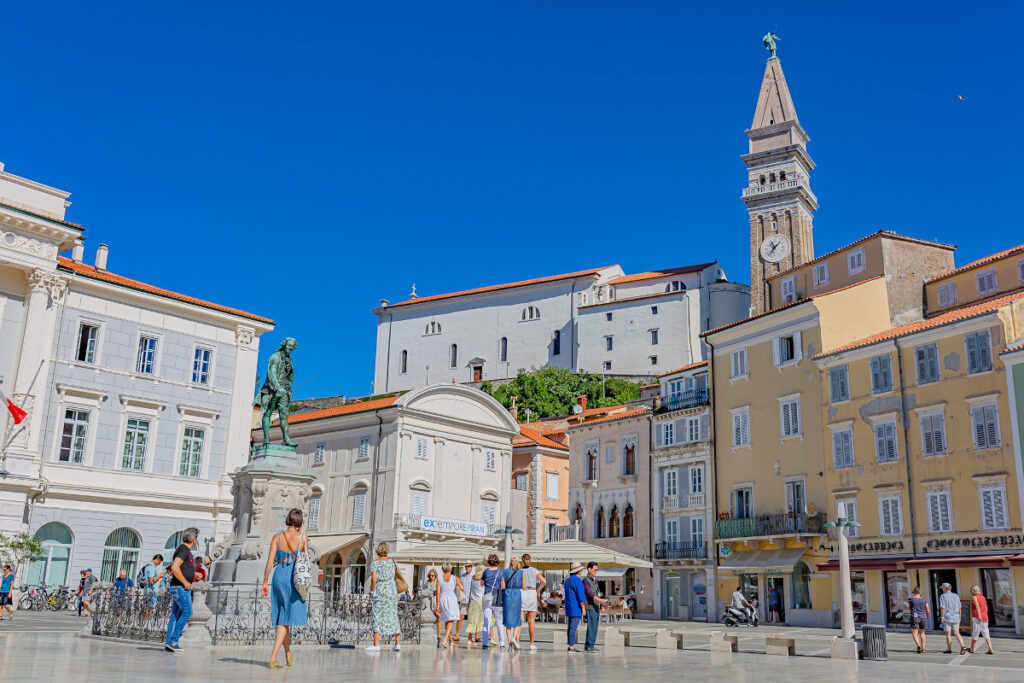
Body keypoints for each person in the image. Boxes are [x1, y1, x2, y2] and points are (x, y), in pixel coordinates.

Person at [260, 509, 308, 668]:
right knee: (285, 618)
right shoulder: (302, 538)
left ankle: (288, 652)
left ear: (288, 520)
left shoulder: (277, 537)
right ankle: (273, 657)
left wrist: (265, 581)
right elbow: (305, 561)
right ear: (300, 522)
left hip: (279, 575)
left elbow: (269, 562)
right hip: (293, 577)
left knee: (283, 614)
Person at [165, 531, 197, 654]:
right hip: (180, 588)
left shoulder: (182, 549)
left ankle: (169, 643)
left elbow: (181, 567)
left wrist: (193, 574)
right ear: (194, 540)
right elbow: (174, 567)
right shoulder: (184, 550)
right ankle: (173, 641)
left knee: (175, 615)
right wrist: (185, 582)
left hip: (178, 587)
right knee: (188, 612)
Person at [367, 542, 402, 653]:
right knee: (393, 614)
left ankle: (376, 644)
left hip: (381, 590)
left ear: (377, 551)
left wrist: (372, 591)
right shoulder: (393, 562)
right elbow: (399, 575)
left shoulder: (375, 563)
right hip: (391, 591)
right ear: (387, 550)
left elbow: (373, 579)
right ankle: (397, 643)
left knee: (377, 615)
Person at [520, 554, 546, 650]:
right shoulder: (535, 570)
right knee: (531, 621)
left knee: (520, 620)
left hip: (522, 592)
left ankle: (517, 642)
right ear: (530, 560)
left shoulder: (520, 571)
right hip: (532, 593)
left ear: (522, 561)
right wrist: (538, 589)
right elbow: (544, 581)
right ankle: (531, 644)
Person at [562, 562, 588, 653]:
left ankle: (570, 645)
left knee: (570, 627)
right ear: (578, 570)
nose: (582, 570)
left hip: (569, 606)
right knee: (573, 627)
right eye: (581, 569)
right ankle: (571, 647)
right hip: (576, 606)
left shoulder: (567, 580)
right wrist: (583, 607)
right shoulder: (578, 580)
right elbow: (581, 595)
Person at [435, 564, 463, 648]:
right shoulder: (455, 578)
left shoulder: (439, 579)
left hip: (443, 599)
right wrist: (458, 586)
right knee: (451, 620)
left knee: (447, 620)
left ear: (443, 569)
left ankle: (451, 641)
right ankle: (445, 639)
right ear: (450, 569)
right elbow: (462, 588)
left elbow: (438, 592)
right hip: (452, 600)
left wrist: (437, 604)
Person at [481, 554, 505, 649]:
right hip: (497, 598)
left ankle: (485, 643)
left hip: (487, 598)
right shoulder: (500, 573)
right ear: (497, 561)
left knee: (486, 620)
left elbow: (481, 583)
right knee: (499, 621)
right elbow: (503, 586)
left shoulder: (485, 571)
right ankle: (502, 643)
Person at [582, 562, 607, 653]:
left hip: (596, 606)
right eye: (595, 569)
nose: (596, 571)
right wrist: (600, 601)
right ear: (589, 569)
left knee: (595, 627)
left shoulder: (593, 580)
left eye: (597, 569)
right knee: (592, 627)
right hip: (591, 607)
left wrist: (600, 606)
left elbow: (596, 593)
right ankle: (589, 646)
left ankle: (591, 645)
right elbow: (589, 593)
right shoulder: (585, 580)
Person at [501, 557, 524, 649]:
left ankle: (510, 641)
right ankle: (514, 638)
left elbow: (503, 586)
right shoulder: (522, 572)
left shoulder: (504, 572)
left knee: (507, 620)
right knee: (517, 618)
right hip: (517, 594)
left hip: (507, 594)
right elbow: (524, 586)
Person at [938, 582, 967, 655]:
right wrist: (960, 617)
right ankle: (963, 646)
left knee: (948, 633)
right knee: (957, 632)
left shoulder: (943, 596)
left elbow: (943, 608)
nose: (942, 589)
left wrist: (942, 617)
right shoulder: (956, 596)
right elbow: (960, 607)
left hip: (947, 617)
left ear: (945, 588)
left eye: (943, 588)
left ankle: (949, 649)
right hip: (956, 616)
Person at [968, 585, 995, 655]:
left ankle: (972, 649)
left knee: (975, 633)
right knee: (986, 633)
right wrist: (985, 616)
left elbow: (977, 607)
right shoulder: (983, 597)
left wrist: (979, 615)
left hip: (977, 617)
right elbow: (986, 608)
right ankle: (991, 649)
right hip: (985, 617)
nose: (970, 591)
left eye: (971, 590)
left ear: (975, 590)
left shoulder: (974, 597)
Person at [464, 565, 485, 648]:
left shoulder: (472, 578)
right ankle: (479, 637)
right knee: (480, 620)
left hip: (472, 602)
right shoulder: (483, 580)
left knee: (472, 620)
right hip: (480, 602)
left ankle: (469, 639)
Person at [142, 555, 166, 620]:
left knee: (147, 606)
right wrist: (159, 576)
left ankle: (144, 622)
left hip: (148, 590)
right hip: (151, 591)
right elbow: (151, 581)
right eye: (159, 563)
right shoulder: (151, 568)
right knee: (150, 608)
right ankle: (145, 622)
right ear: (157, 560)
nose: (159, 564)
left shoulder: (147, 566)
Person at [908, 587, 930, 653]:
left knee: (914, 633)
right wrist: (927, 617)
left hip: (915, 617)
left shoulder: (911, 600)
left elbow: (909, 608)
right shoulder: (924, 600)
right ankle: (923, 649)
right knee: (922, 634)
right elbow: (928, 610)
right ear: (920, 593)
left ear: (914, 593)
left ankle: (918, 645)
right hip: (923, 617)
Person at [422, 569, 441, 644]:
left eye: (432, 575)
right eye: (430, 575)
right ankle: (434, 632)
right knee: (432, 617)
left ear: (435, 575)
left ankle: (439, 634)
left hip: (436, 601)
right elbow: (424, 590)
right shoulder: (427, 582)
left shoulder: (438, 582)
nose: (431, 577)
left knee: (438, 618)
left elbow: (439, 591)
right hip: (428, 602)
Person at [455, 562, 473, 642]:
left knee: (471, 619)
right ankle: (457, 635)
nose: (467, 568)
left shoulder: (473, 577)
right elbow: (458, 587)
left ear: (471, 567)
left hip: (471, 600)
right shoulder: (462, 576)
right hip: (463, 599)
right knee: (460, 618)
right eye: (466, 566)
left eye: (469, 566)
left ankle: (470, 637)